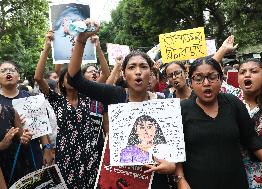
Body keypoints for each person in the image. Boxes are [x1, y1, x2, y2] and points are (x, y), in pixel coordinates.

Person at [67, 20, 175, 189]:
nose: (138, 71)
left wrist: (172, 166)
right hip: (121, 178)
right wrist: (81, 40)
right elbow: (74, 79)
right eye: (132, 67)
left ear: (151, 72)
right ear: (124, 74)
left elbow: (173, 151)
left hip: (155, 180)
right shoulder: (114, 95)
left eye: (143, 67)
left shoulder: (164, 104)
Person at [175, 54, 262, 189]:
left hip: (235, 181)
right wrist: (181, 180)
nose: (206, 83)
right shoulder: (182, 110)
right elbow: (176, 150)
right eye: (198, 78)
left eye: (212, 77)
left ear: (221, 79)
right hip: (197, 182)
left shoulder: (233, 103)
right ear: (190, 82)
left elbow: (250, 138)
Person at [34, 30, 103, 188]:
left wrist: (98, 48)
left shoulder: (87, 97)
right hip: (65, 156)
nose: (71, 80)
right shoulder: (56, 100)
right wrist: (47, 47)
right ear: (62, 82)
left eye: (74, 77)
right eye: (67, 78)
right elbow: (38, 77)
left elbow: (105, 75)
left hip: (88, 154)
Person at [0, 61, 53, 169]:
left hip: (32, 153)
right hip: (7, 158)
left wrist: (47, 148)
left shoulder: (30, 97)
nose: (8, 72)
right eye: (3, 71)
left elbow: (41, 128)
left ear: (18, 76)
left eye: (12, 70)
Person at [0, 104, 32, 187]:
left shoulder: (10, 111)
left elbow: (23, 142)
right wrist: (2, 145)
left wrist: (26, 139)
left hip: (17, 168)